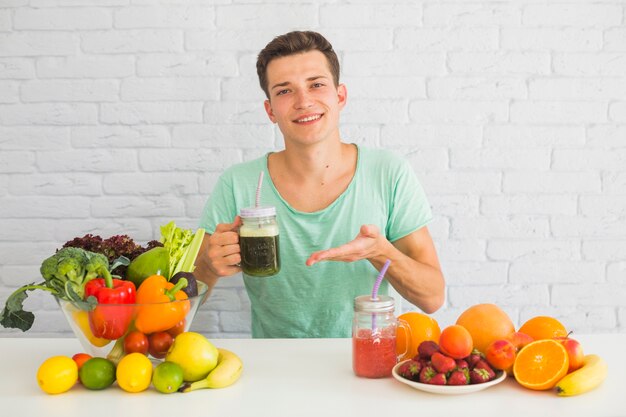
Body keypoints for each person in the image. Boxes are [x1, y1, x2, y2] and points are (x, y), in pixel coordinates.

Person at [195, 30, 445, 338]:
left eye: (316, 85)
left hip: (368, 366)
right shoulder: (239, 183)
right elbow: (183, 304)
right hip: (276, 373)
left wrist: (381, 252)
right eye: (285, 91)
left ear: (340, 96)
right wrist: (208, 265)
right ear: (270, 110)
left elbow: (433, 297)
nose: (304, 101)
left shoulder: (388, 172)